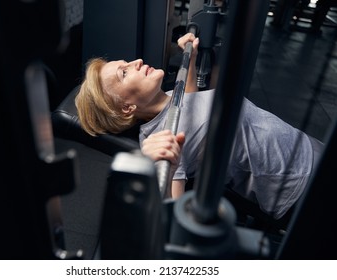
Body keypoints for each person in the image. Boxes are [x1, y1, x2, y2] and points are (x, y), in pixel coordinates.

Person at [75, 33, 323, 221]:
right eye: (125, 73)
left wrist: (190, 60)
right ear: (127, 108)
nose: (137, 61)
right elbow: (174, 213)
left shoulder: (172, 98)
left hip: (303, 147)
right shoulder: (163, 135)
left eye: (127, 62)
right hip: (298, 182)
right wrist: (164, 169)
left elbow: (190, 100)